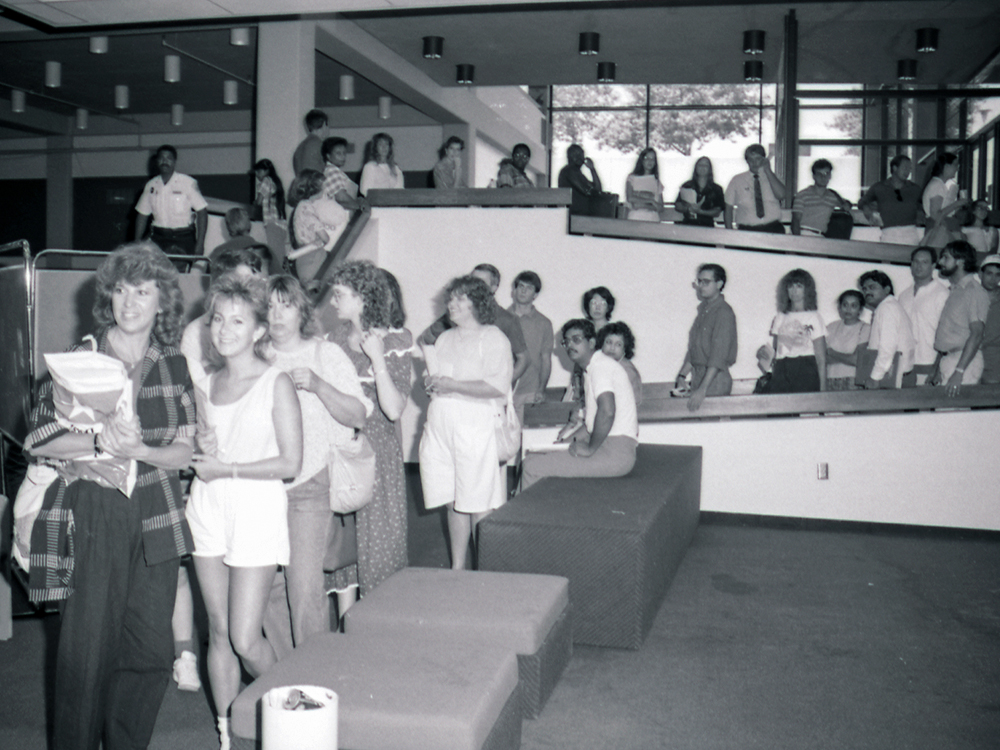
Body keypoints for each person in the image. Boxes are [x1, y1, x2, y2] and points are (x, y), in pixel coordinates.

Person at [25, 242, 196, 750]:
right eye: (121, 289)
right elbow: (39, 437)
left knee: (148, 649)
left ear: (162, 300)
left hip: (158, 512)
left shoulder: (173, 365)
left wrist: (141, 446)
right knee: (87, 652)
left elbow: (184, 452)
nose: (130, 301)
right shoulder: (81, 359)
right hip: (96, 509)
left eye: (142, 291)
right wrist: (100, 441)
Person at [186, 275, 302, 750]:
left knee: (244, 638)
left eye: (238, 320)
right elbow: (207, 446)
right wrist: (203, 444)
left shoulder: (277, 383)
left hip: (254, 510)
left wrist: (225, 467)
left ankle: (294, 709)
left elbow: (290, 463)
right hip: (208, 507)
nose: (224, 329)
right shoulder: (208, 381)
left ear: (258, 330)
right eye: (218, 319)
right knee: (215, 630)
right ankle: (227, 734)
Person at [264, 274, 370, 644]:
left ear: (302, 310)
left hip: (309, 485)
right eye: (270, 305)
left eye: (286, 305)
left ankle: (313, 680)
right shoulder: (255, 356)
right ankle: (284, 676)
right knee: (267, 591)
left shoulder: (326, 353)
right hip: (261, 486)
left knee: (304, 588)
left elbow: (358, 415)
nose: (276, 314)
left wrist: (318, 384)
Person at [328, 260, 412, 594]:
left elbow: (393, 410)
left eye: (339, 295)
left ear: (362, 297)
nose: (332, 301)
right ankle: (346, 625)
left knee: (378, 544)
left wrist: (376, 357)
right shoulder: (331, 338)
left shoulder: (395, 339)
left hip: (376, 448)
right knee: (341, 545)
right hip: (338, 447)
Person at [419, 275, 514, 569]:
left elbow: (496, 387)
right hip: (441, 425)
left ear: (478, 303)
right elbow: (442, 379)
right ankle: (457, 568)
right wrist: (430, 382)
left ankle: (483, 570)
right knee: (453, 500)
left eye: (460, 299)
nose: (452, 304)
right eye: (451, 298)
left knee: (477, 501)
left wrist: (453, 385)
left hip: (475, 426)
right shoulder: (444, 338)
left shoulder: (493, 337)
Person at [520, 318, 638, 490]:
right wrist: (563, 444)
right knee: (532, 458)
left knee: (532, 468)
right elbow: (592, 423)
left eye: (576, 340)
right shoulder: (592, 368)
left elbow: (607, 412)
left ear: (591, 342)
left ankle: (522, 517)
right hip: (608, 445)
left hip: (615, 452)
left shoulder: (601, 367)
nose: (569, 345)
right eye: (566, 341)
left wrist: (590, 449)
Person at [419, 264, 529, 387]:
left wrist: (503, 383)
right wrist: (435, 377)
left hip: (487, 397)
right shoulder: (456, 314)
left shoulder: (507, 320)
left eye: (479, 282)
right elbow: (426, 339)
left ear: (493, 288)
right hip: (454, 393)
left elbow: (523, 359)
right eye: (471, 279)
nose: (471, 285)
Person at [674, 263, 738, 410]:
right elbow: (694, 350)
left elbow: (718, 356)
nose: (701, 286)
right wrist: (682, 376)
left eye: (706, 282)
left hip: (715, 381)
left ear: (719, 284)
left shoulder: (724, 312)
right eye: (699, 281)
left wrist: (702, 389)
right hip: (699, 378)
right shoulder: (703, 311)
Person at [932, 240, 990, 394]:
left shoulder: (973, 291)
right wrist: (939, 367)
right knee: (944, 416)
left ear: (961, 261)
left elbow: (977, 334)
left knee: (952, 415)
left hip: (963, 364)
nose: (940, 262)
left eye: (945, 257)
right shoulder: (956, 290)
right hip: (950, 360)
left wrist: (959, 371)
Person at [135, 144, 208, 257]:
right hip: (158, 237)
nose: (165, 161)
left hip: (182, 238)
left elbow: (202, 211)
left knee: (179, 272)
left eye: (169, 158)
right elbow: (142, 214)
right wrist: (137, 242)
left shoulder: (188, 183)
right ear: (157, 161)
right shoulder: (151, 185)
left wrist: (200, 243)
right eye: (161, 158)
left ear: (174, 161)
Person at [765, 269, 826, 392]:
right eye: (790, 286)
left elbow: (821, 358)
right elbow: (777, 351)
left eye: (799, 286)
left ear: (807, 289)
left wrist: (823, 389)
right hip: (782, 369)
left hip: (806, 369)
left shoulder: (813, 316)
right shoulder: (780, 316)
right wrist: (764, 354)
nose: (794, 291)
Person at [898, 246, 950, 385]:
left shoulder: (942, 294)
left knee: (925, 406)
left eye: (924, 262)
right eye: (915, 261)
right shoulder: (904, 296)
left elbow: (947, 334)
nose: (919, 266)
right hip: (905, 365)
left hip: (930, 364)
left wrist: (937, 368)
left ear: (933, 265)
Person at [287, 169, 349, 285]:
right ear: (313, 189)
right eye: (323, 186)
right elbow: (324, 237)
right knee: (316, 285)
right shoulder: (307, 207)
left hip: (302, 255)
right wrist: (325, 238)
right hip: (313, 256)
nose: (325, 190)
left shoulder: (300, 207)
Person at [858, 270, 915, 389]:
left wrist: (875, 377)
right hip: (895, 374)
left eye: (872, 287)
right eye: (864, 289)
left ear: (887, 289)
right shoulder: (890, 307)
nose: (867, 291)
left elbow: (887, 347)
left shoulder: (887, 308)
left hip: (891, 377)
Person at [508, 270, 553, 414]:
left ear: (535, 295)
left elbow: (546, 359)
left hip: (529, 391)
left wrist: (541, 389)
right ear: (514, 290)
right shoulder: (501, 318)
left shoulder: (544, 323)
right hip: (502, 389)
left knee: (524, 436)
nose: (523, 291)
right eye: (520, 286)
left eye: (529, 288)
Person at [858, 154, 924, 245]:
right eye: (905, 167)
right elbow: (862, 202)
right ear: (894, 168)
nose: (908, 171)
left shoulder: (915, 189)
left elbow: (925, 207)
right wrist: (867, 210)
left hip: (910, 232)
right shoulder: (879, 187)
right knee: (887, 257)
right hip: (888, 233)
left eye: (909, 168)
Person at [724, 144, 786, 234]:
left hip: (773, 229)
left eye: (758, 159)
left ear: (764, 160)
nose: (754, 163)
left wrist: (768, 171)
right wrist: (729, 234)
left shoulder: (773, 178)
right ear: (747, 161)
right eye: (751, 159)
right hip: (747, 230)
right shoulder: (737, 180)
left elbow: (782, 195)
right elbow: (728, 208)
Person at [791, 159, 853, 236]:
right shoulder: (802, 195)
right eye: (819, 174)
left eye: (826, 173)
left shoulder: (832, 196)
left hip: (821, 236)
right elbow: (795, 220)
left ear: (830, 176)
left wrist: (847, 205)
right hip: (804, 233)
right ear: (813, 176)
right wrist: (798, 240)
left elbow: (846, 204)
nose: (823, 177)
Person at [825, 290, 870, 390]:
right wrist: (847, 357)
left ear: (860, 310)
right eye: (845, 305)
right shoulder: (830, 327)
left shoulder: (865, 328)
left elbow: (857, 360)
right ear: (839, 308)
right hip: (829, 379)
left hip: (853, 381)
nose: (848, 309)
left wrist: (831, 352)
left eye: (854, 306)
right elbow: (823, 358)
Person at [921, 152, 967, 248]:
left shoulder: (940, 185)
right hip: (940, 229)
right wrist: (957, 204)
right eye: (955, 165)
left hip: (944, 227)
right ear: (946, 166)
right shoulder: (937, 185)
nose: (957, 168)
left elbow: (943, 210)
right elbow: (936, 214)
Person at [597, 321, 642, 407]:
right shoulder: (603, 365)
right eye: (608, 342)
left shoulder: (626, 369)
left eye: (618, 344)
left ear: (625, 349)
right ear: (601, 344)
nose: (612, 348)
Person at [674, 156, 725, 227]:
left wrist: (701, 212)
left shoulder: (717, 189)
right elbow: (678, 205)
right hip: (688, 224)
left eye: (706, 165)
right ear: (695, 168)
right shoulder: (687, 185)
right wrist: (688, 209)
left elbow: (717, 211)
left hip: (707, 226)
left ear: (710, 169)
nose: (702, 167)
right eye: (700, 165)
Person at [322, 136, 368, 212]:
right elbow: (341, 197)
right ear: (328, 156)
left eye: (344, 153)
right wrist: (359, 207)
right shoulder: (331, 171)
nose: (342, 156)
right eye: (338, 153)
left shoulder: (335, 170)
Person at [558, 143, 604, 216]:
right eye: (575, 155)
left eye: (581, 154)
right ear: (568, 157)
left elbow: (598, 189)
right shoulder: (568, 171)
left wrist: (592, 169)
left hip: (582, 215)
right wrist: (594, 192)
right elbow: (587, 191)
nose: (579, 157)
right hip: (574, 216)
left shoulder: (579, 174)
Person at [625, 147, 663, 222]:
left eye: (652, 159)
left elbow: (660, 207)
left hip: (652, 219)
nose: (650, 161)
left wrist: (641, 204)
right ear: (642, 160)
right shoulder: (632, 178)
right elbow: (630, 199)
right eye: (647, 158)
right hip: (635, 218)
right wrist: (651, 201)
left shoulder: (656, 182)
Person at [978, 254, 1000, 384]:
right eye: (989, 273)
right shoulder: (969, 294)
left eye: (997, 275)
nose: (993, 279)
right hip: (970, 358)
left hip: (994, 362)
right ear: (980, 274)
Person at [292, 109, 329, 177]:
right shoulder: (319, 144)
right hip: (315, 185)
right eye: (327, 125)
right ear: (324, 124)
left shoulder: (300, 147)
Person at [253, 158, 286, 225]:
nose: (256, 174)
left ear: (266, 170)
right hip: (278, 220)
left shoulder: (266, 180)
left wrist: (254, 202)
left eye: (258, 171)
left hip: (270, 220)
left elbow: (259, 202)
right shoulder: (274, 182)